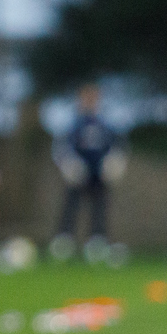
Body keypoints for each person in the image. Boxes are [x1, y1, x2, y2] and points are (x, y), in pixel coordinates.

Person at [49, 83, 121, 262]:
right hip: (77, 174)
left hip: (99, 175)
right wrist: (69, 164)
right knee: (70, 207)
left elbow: (118, 147)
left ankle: (97, 241)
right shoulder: (73, 124)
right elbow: (61, 147)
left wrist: (113, 163)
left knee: (99, 208)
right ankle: (65, 240)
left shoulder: (106, 124)